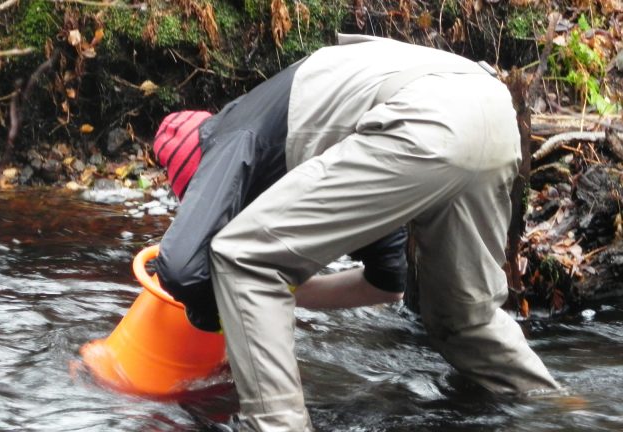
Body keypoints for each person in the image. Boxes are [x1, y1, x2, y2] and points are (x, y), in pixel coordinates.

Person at [151, 34, 561, 431]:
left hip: (426, 117)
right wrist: (289, 296)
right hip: (491, 111)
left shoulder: (226, 136)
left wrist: (215, 312)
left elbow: (185, 266)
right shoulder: (328, 127)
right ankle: (561, 411)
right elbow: (387, 281)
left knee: (242, 257)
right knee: (465, 320)